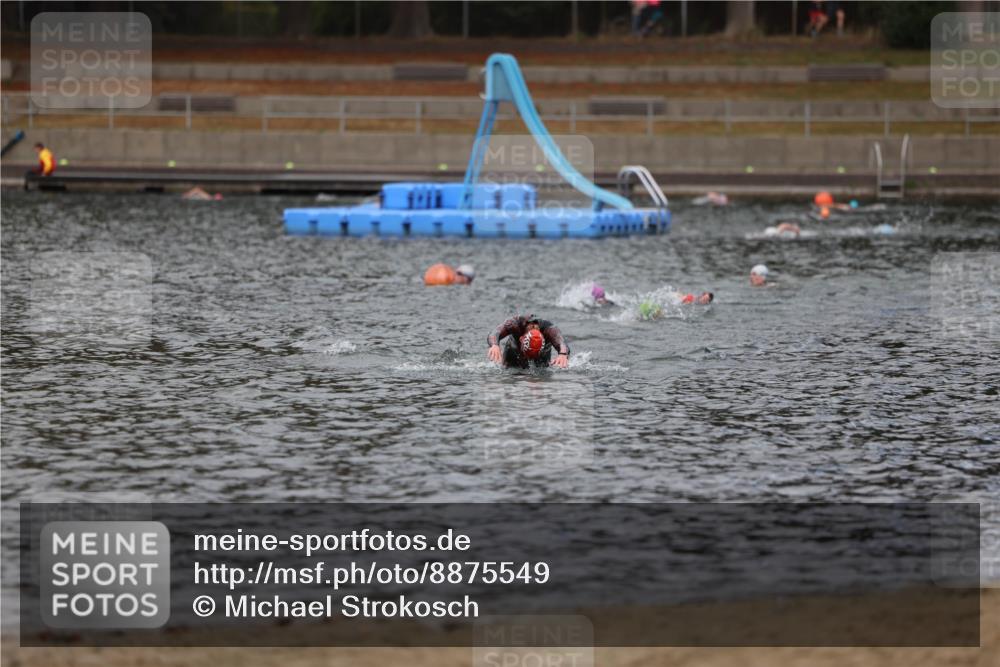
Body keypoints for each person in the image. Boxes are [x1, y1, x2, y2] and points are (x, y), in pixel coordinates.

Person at [487, 315, 570, 369]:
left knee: (542, 375)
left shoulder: (549, 330)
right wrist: (494, 345)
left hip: (542, 356)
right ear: (521, 339)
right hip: (514, 352)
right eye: (527, 355)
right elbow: (494, 333)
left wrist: (562, 354)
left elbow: (562, 343)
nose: (529, 359)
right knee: (506, 370)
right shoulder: (514, 324)